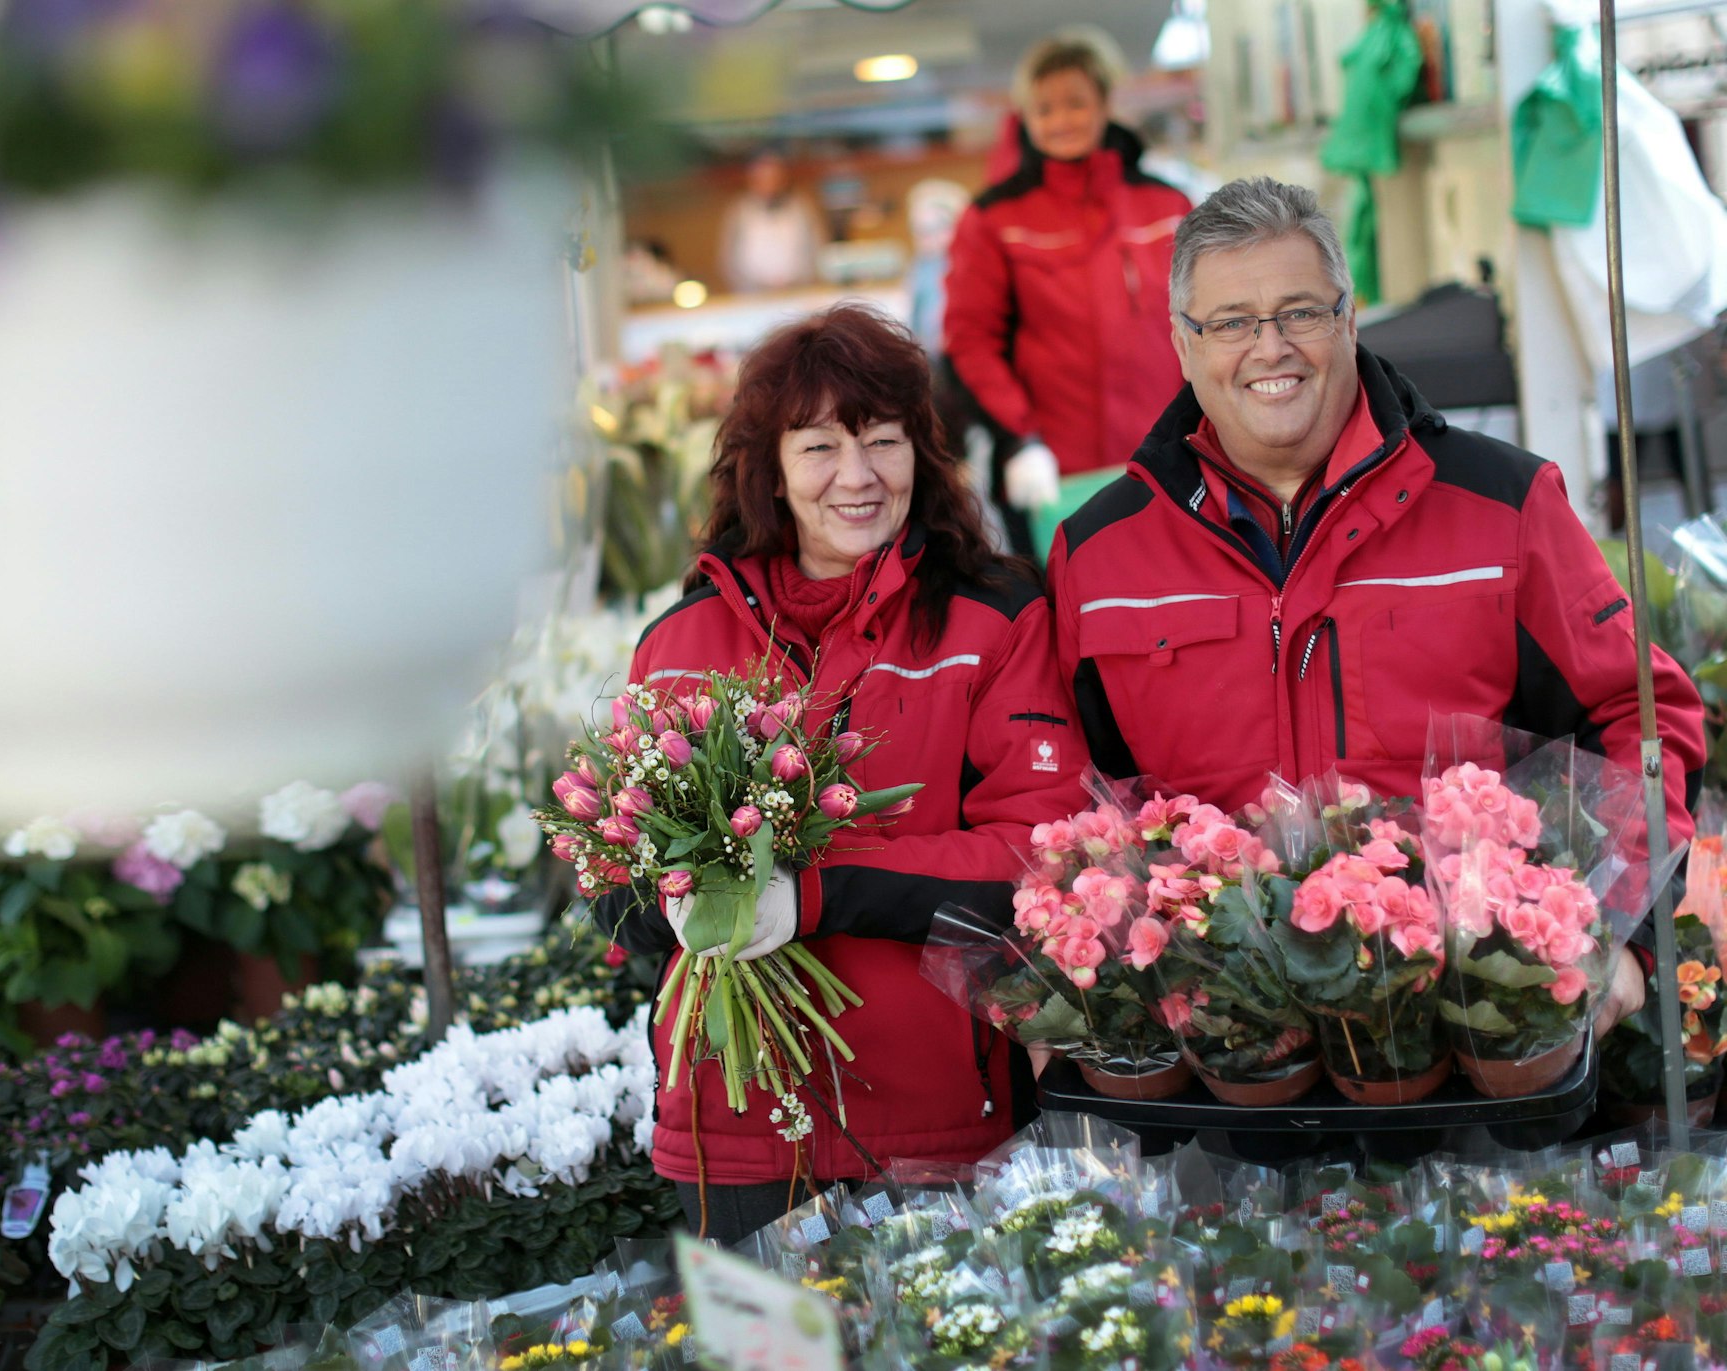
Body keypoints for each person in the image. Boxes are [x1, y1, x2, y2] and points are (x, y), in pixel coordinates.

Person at [1048, 176, 1708, 1036]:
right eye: (1233, 322)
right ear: (1182, 342)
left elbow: (1646, 717)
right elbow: (1064, 801)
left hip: (1475, 1032)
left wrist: (1625, 931)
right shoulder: (1098, 553)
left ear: (1350, 320)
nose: (1271, 347)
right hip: (1221, 1054)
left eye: (1302, 312)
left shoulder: (1502, 503)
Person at [595, 304, 1071, 1246]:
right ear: (768, 466)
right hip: (730, 1131)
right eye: (818, 447)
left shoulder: (993, 619)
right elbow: (611, 882)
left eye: (882, 441)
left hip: (941, 1118)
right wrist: (674, 900)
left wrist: (812, 893)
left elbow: (1039, 859)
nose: (856, 477)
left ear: (922, 453)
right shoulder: (680, 640)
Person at [941, 30, 1191, 554]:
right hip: (1053, 474)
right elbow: (970, 342)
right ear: (1025, 118)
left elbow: (1206, 322)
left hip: (1168, 462)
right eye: (1044, 108)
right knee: (1070, 620)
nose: (1061, 120)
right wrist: (1019, 441)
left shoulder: (1166, 206)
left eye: (1075, 102)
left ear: (1104, 103)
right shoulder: (994, 218)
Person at [718, 151, 823, 296]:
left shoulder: (800, 207)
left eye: (774, 178)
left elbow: (816, 248)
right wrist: (748, 286)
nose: (769, 183)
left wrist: (801, 281)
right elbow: (728, 256)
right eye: (762, 178)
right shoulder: (740, 210)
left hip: (798, 292)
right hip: (752, 295)